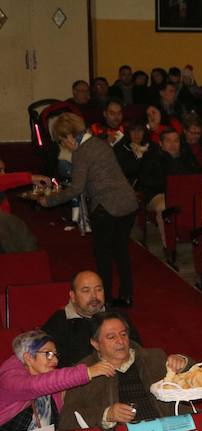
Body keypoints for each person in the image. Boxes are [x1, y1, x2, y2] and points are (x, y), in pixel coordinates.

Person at [36, 113, 139, 308]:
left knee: (103, 256)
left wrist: (48, 201)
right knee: (122, 252)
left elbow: (76, 188)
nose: (63, 145)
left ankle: (105, 300)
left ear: (69, 136)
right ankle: (126, 295)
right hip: (128, 203)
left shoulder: (82, 152)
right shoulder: (100, 143)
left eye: (61, 140)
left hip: (107, 207)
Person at [58, 311, 193, 431]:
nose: (121, 341)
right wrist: (106, 415)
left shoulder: (154, 357)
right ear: (95, 343)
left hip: (168, 428)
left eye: (123, 334)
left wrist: (183, 362)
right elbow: (67, 420)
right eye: (111, 337)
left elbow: (200, 377)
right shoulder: (84, 371)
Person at [0, 330, 114, 431]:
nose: (55, 360)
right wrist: (87, 372)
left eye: (55, 355)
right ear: (28, 357)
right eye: (48, 354)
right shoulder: (9, 379)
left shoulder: (54, 381)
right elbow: (34, 386)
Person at [41, 270, 142, 368]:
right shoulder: (59, 322)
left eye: (99, 289)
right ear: (73, 296)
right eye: (86, 291)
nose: (94, 296)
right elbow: (45, 357)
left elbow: (137, 348)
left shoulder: (117, 316)